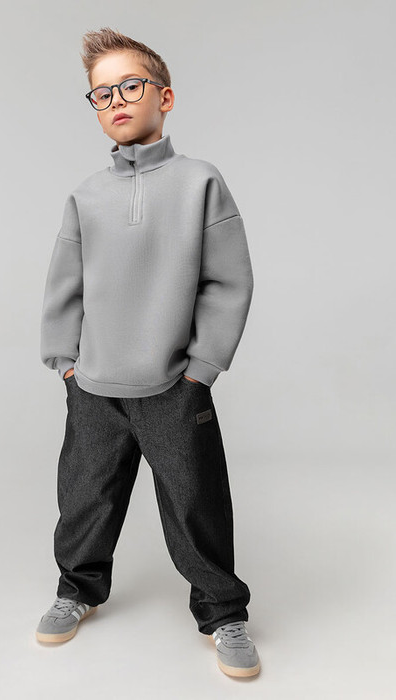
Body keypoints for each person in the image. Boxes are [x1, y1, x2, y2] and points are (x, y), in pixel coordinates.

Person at [36, 27, 260, 679]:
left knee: (196, 501)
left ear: (164, 96)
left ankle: (222, 612)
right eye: (101, 93)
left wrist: (201, 369)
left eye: (130, 86)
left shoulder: (200, 183)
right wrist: (65, 361)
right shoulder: (86, 196)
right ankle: (76, 589)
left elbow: (228, 280)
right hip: (94, 385)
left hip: (173, 386)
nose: (116, 100)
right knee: (84, 496)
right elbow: (65, 284)